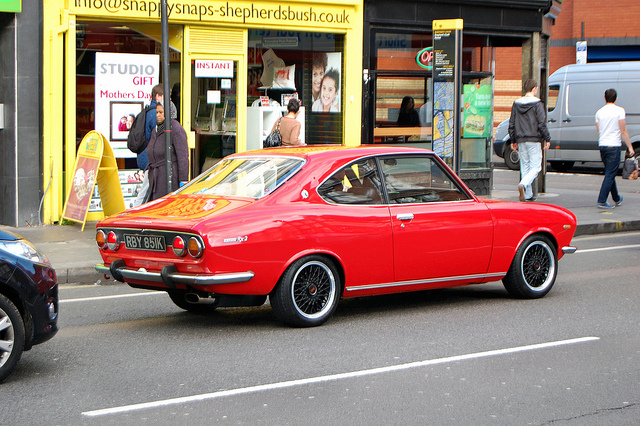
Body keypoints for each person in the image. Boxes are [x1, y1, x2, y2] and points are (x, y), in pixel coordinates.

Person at [508, 79, 551, 202]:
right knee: (536, 167)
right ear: (534, 89)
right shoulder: (537, 104)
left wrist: (513, 140)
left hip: (521, 139)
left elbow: (511, 123)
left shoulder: (516, 104)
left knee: (525, 166)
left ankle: (528, 195)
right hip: (534, 138)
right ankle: (524, 183)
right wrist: (547, 138)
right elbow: (542, 123)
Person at [595, 88, 635, 208]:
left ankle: (617, 198)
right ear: (616, 98)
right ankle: (602, 200)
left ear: (604, 98)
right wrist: (630, 147)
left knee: (609, 172)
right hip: (614, 145)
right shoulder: (619, 111)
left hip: (602, 145)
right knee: (610, 174)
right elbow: (623, 130)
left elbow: (599, 129)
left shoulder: (599, 112)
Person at [145, 102, 189, 202]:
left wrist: (183, 181)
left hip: (169, 178)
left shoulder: (175, 128)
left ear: (169, 113)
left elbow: (183, 157)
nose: (158, 115)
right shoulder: (156, 129)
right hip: (156, 178)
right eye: (156, 112)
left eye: (161, 112)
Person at [134, 84, 163, 206]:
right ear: (158, 96)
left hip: (143, 156)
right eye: (164, 96)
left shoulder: (147, 111)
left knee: (146, 189)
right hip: (149, 159)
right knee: (145, 191)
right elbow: (156, 136)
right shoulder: (154, 114)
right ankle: (135, 213)